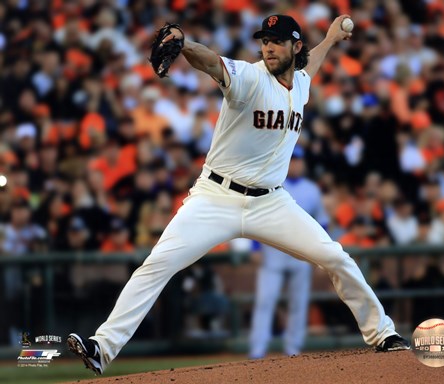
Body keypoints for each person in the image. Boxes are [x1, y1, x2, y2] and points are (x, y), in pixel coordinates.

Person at [67, 14, 410, 375]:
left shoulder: (302, 83)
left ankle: (383, 334)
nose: (268, 47)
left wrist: (329, 39)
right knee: (157, 264)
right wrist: (185, 45)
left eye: (276, 41)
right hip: (215, 196)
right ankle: (101, 347)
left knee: (335, 257)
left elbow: (313, 63)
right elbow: (212, 62)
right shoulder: (249, 77)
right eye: (264, 40)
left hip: (272, 202)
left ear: (295, 47)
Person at [249, 145, 329, 358]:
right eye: (291, 159)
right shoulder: (270, 182)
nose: (295, 163)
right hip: (272, 254)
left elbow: (322, 224)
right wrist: (255, 246)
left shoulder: (312, 190)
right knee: (265, 301)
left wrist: (322, 255)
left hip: (300, 255)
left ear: (303, 163)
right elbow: (255, 217)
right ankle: (258, 349)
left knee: (298, 303)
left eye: (298, 160)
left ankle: (293, 348)